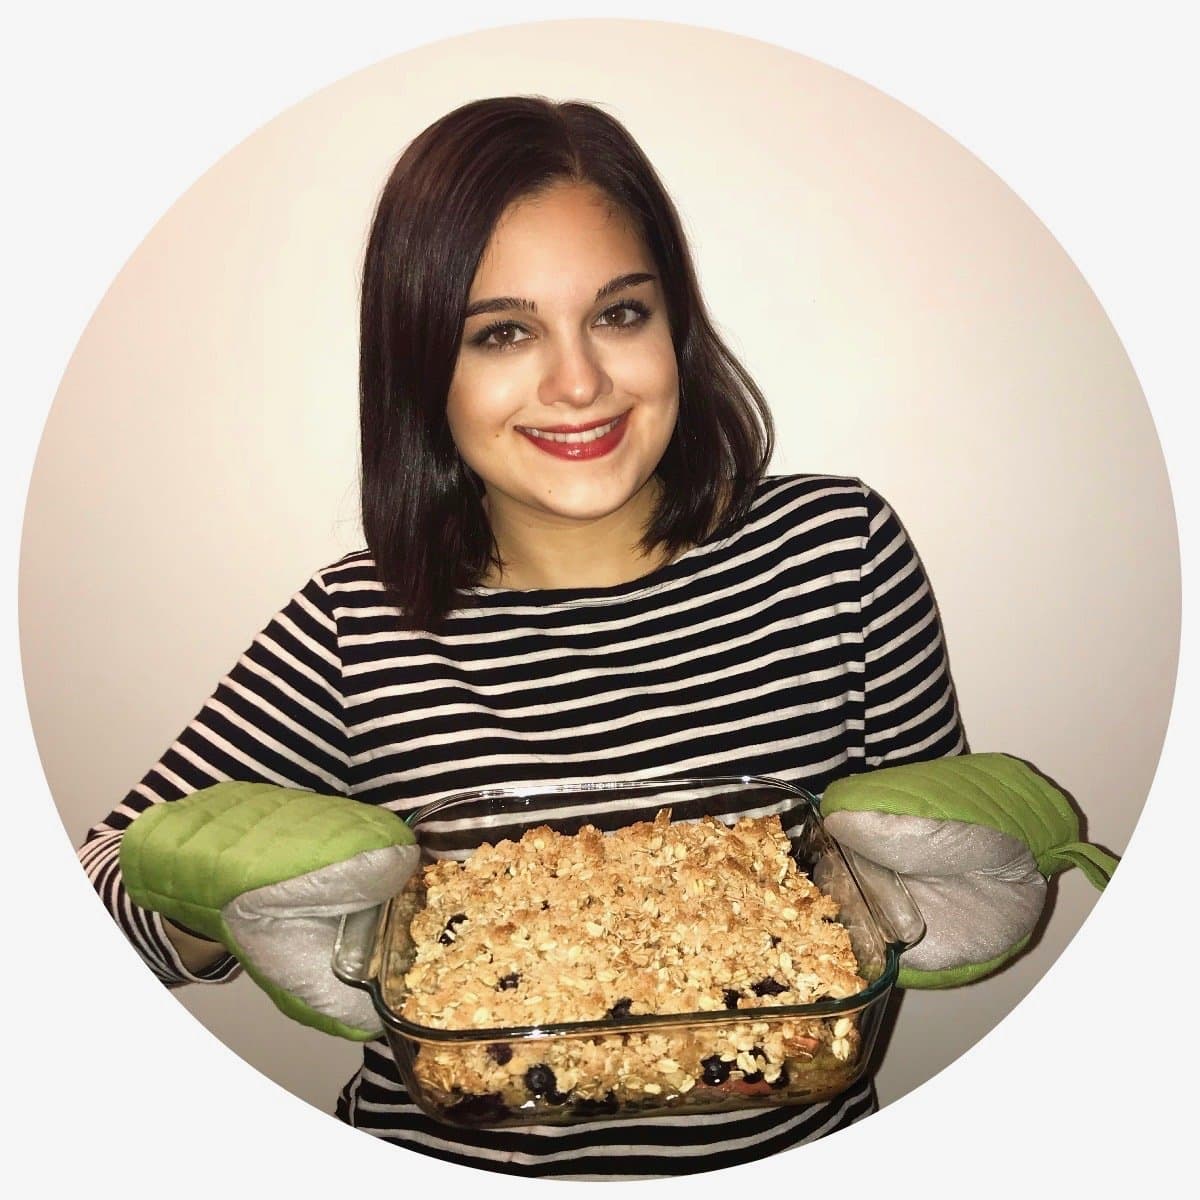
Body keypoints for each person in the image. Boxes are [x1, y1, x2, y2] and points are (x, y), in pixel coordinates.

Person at [78, 95, 966, 1179]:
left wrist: (962, 883)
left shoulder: (839, 556)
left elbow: (930, 852)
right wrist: (224, 907)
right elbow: (95, 890)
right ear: (420, 369)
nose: (578, 382)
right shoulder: (356, 627)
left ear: (674, 324)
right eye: (502, 332)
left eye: (619, 314)